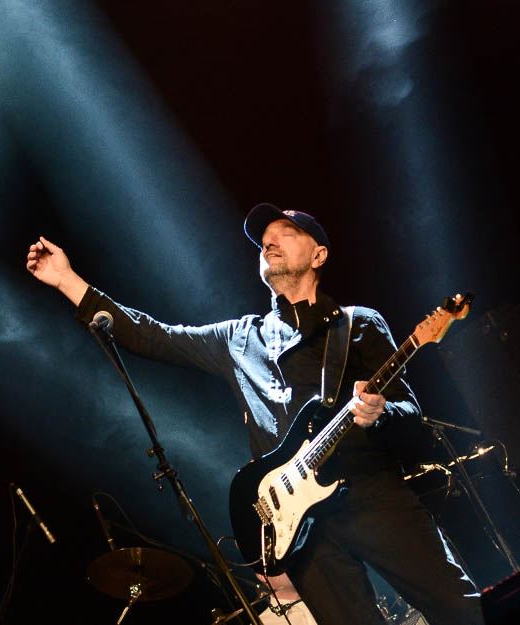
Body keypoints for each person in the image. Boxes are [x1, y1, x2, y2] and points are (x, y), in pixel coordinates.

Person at [25, 203, 483, 625]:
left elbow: (411, 414)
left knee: (457, 607)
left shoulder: (357, 323)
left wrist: (379, 414)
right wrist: (68, 280)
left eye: (285, 232)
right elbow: (152, 335)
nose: (269, 241)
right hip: (300, 533)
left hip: (369, 493)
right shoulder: (239, 338)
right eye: (264, 238)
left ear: (319, 254)